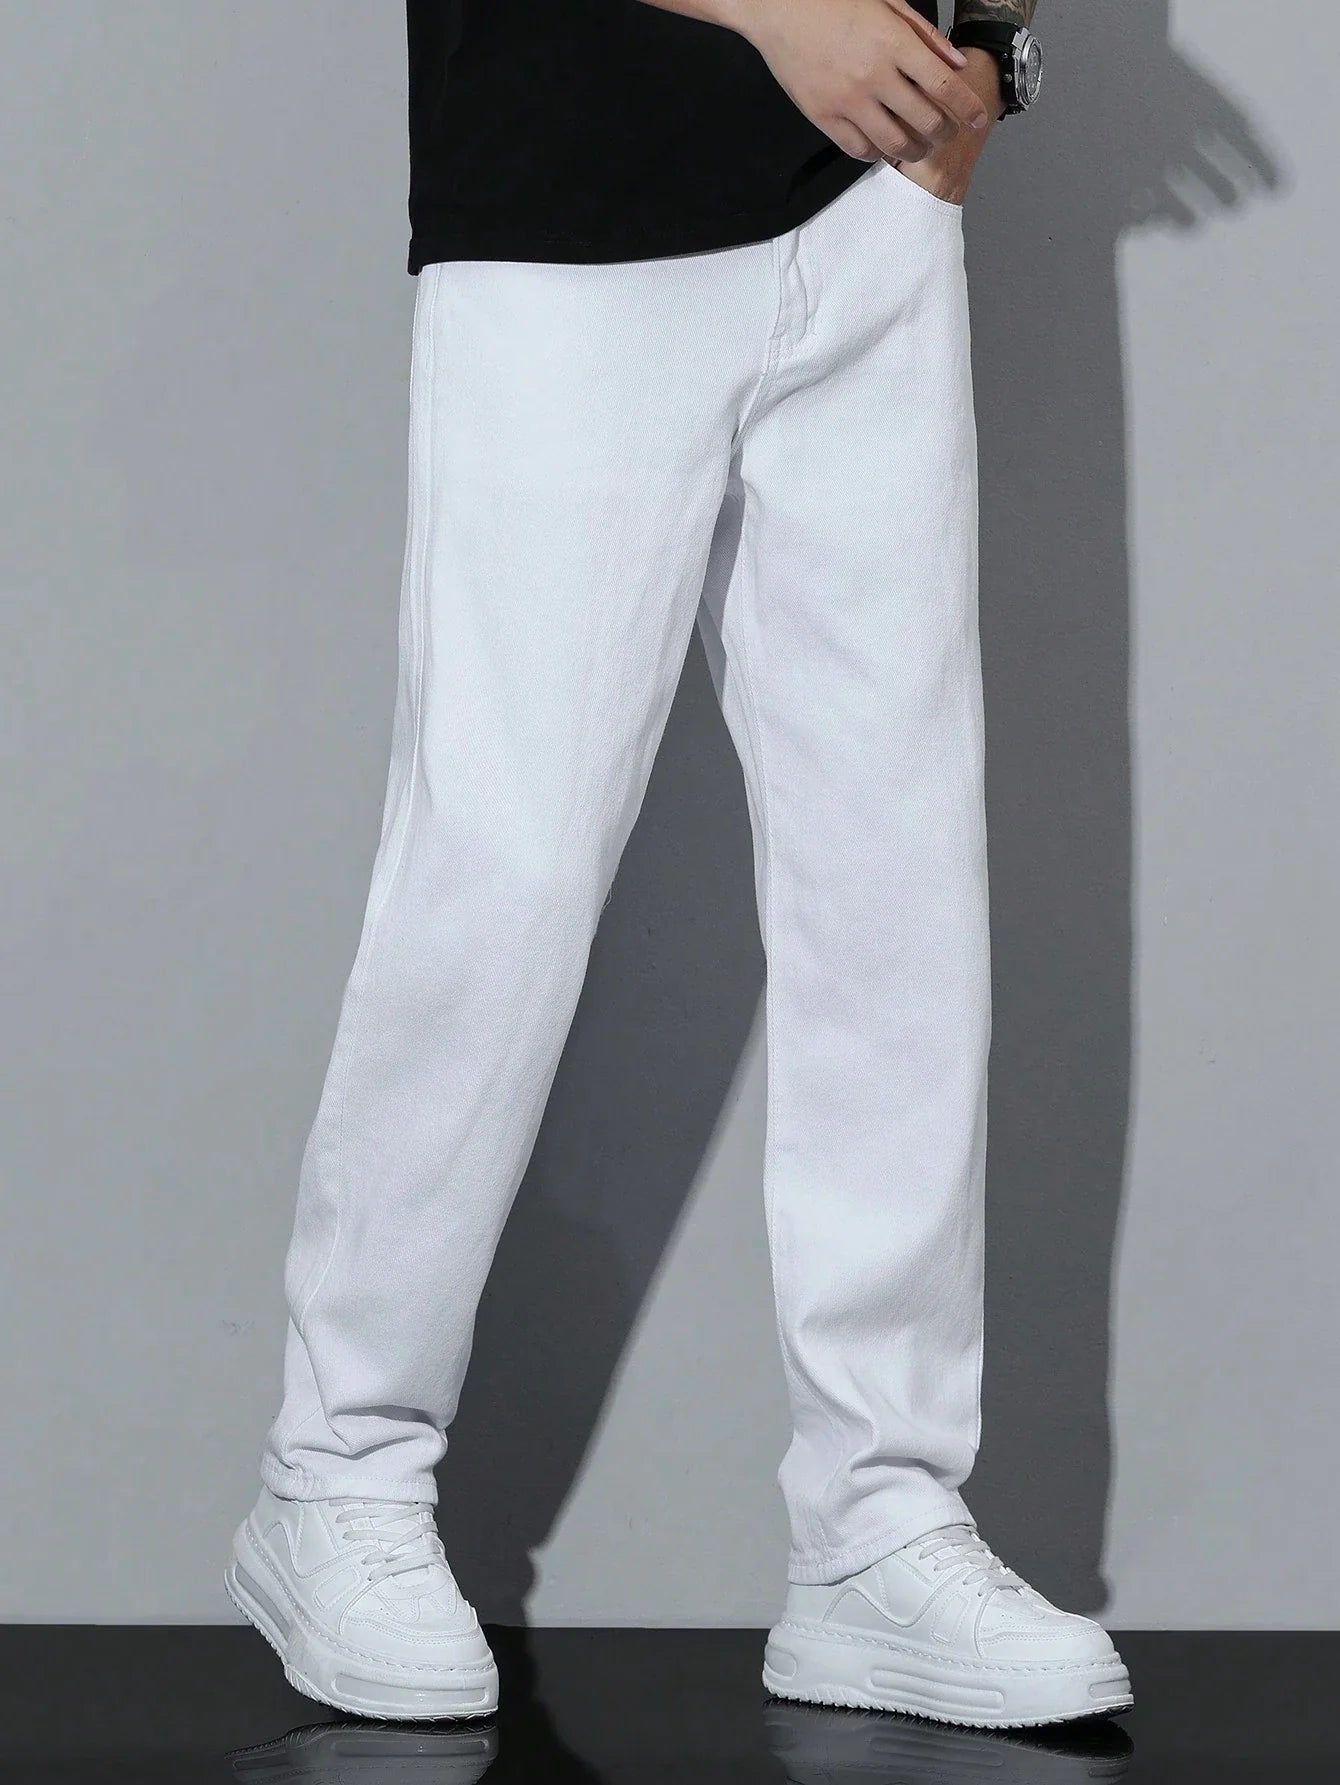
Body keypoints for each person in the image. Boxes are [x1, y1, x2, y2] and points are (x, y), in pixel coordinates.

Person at [226, 0, 1133, 1729]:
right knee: (506, 862)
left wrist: (988, 56)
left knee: (896, 877)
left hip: (869, 202)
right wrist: (786, 13)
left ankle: (880, 1516)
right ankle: (335, 1470)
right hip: (572, 202)